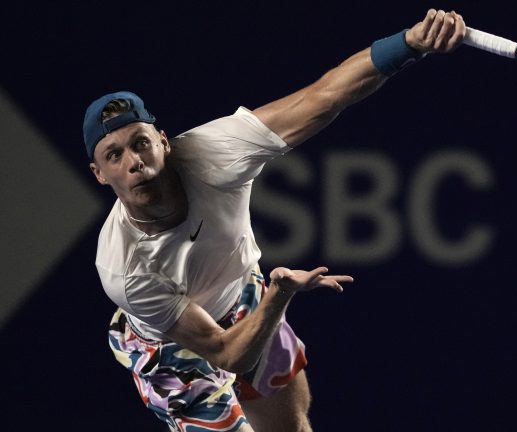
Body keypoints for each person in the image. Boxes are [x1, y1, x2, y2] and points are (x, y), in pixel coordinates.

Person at [84, 9, 466, 432]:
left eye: (140, 143)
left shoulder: (215, 152)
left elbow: (322, 97)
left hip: (242, 298)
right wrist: (279, 294)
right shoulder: (124, 268)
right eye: (113, 155)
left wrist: (410, 43)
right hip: (175, 349)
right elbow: (227, 354)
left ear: (163, 142)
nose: (134, 162)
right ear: (99, 174)